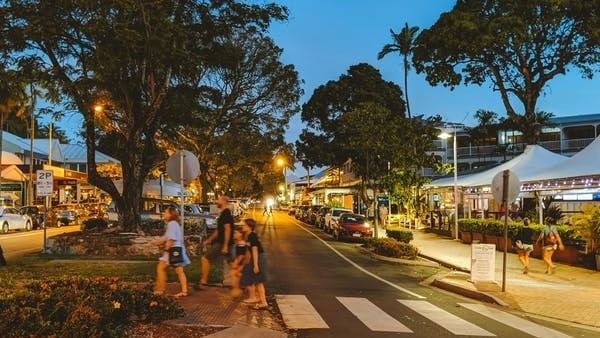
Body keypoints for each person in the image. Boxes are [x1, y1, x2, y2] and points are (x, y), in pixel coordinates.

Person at [154, 207, 189, 298]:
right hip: (176, 250)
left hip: (172, 251)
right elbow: (166, 237)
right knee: (179, 271)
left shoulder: (172, 224)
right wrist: (156, 242)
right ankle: (184, 291)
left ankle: (160, 290)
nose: (164, 213)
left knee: (161, 268)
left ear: (170, 214)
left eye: (166, 212)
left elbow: (171, 239)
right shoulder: (174, 224)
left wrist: (166, 249)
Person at [200, 196, 233, 288]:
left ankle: (203, 281)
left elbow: (227, 229)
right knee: (233, 264)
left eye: (218, 200)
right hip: (224, 243)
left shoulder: (226, 213)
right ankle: (244, 283)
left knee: (205, 258)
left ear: (223, 201)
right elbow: (218, 230)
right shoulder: (224, 213)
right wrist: (209, 240)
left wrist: (225, 245)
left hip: (222, 243)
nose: (216, 201)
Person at [240, 218, 268, 310]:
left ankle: (263, 302)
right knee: (257, 281)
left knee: (258, 280)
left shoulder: (252, 236)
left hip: (259, 257)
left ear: (249, 227)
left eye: (244, 225)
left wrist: (256, 265)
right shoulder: (249, 235)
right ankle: (260, 300)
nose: (242, 226)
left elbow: (255, 250)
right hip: (256, 258)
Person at [230, 227, 249, 297]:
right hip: (242, 263)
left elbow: (241, 256)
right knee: (236, 274)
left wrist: (236, 263)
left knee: (234, 273)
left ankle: (236, 290)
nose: (234, 234)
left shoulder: (241, 243)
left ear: (240, 234)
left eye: (236, 233)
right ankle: (241, 289)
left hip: (242, 264)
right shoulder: (239, 242)